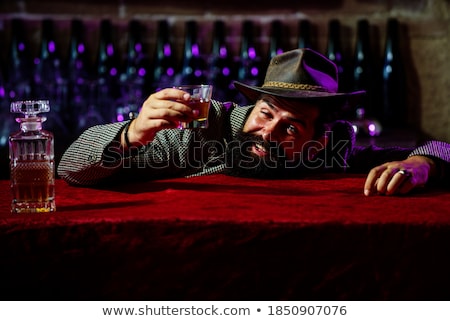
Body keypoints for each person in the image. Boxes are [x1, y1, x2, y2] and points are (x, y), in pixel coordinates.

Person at [57, 48, 450, 196]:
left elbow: (440, 148)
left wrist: (422, 163)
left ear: (317, 139)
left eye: (291, 127)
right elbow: (71, 166)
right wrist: (131, 134)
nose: (268, 132)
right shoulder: (201, 130)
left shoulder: (332, 149)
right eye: (266, 112)